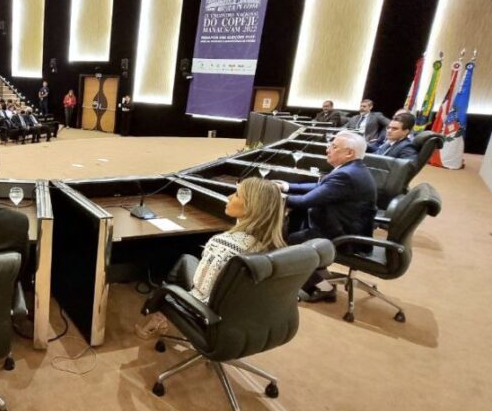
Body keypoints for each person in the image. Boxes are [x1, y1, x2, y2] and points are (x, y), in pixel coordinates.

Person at [135, 178, 287, 338]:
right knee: (186, 260)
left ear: (250, 207)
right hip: (251, 319)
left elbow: (200, 290)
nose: (229, 197)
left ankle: (157, 317)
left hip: (212, 317)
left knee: (169, 289)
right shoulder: (278, 248)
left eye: (236, 195)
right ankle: (159, 319)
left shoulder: (223, 244)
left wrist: (166, 295)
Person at [274, 130, 377, 303]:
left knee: (289, 240)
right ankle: (316, 274)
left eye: (334, 146)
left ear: (349, 153)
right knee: (296, 222)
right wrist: (286, 186)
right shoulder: (353, 169)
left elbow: (305, 201)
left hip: (344, 236)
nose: (328, 149)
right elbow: (321, 186)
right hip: (348, 226)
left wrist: (269, 196)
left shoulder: (346, 175)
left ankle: (323, 287)